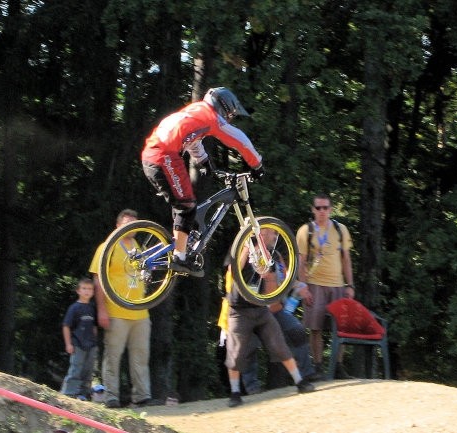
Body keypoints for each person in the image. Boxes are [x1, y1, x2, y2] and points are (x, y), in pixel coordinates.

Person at [141, 87, 264, 275]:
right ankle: (180, 258)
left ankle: (180, 245)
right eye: (229, 114)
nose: (229, 119)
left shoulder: (196, 111)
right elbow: (240, 140)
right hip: (164, 156)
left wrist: (204, 161)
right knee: (187, 205)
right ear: (223, 108)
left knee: (184, 204)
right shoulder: (212, 117)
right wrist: (257, 165)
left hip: (153, 154)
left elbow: (192, 139)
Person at [223, 229, 316, 407]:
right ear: (262, 234)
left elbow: (271, 293)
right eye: (272, 233)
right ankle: (235, 393)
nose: (275, 236)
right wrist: (248, 250)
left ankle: (300, 382)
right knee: (236, 353)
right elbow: (233, 271)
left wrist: (269, 278)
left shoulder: (272, 257)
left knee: (279, 344)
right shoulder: (239, 248)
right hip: (239, 310)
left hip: (261, 310)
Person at [89, 209, 155, 408]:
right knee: (113, 356)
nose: (131, 227)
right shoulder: (106, 247)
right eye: (127, 223)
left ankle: (142, 395)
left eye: (135, 223)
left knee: (141, 356)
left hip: (140, 312)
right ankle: (111, 396)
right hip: (115, 311)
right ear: (118, 225)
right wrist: (101, 309)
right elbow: (98, 279)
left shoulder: (137, 247)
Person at [296, 193, 355, 378]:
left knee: (341, 326)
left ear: (330, 209)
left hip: (337, 284)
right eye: (318, 208)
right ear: (313, 210)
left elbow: (346, 259)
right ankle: (318, 366)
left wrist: (350, 285)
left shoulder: (340, 229)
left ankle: (338, 366)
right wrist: (303, 287)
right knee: (315, 327)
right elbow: (301, 262)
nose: (322, 211)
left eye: (325, 208)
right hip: (314, 284)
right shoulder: (305, 231)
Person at [60, 277, 98, 400]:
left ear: (93, 292)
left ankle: (84, 393)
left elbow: (94, 326)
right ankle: (69, 393)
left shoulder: (92, 308)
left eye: (90, 289)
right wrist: (68, 344)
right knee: (76, 368)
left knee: (88, 369)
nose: (87, 291)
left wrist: (95, 341)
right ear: (78, 291)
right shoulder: (74, 308)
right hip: (78, 343)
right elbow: (66, 326)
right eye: (84, 288)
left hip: (91, 344)